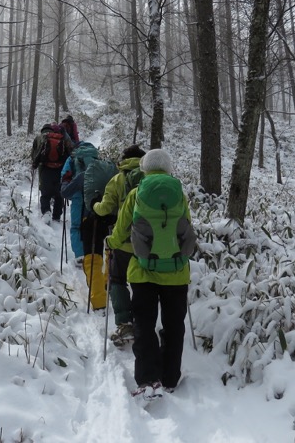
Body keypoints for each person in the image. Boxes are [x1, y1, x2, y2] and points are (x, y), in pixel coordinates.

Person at [105, 148, 196, 400]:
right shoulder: (179, 194)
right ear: (168, 168)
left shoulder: (136, 193)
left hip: (143, 271)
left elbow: (122, 230)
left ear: (144, 168)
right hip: (177, 272)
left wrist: (111, 242)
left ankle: (147, 378)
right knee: (174, 325)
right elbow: (186, 228)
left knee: (144, 324)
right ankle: (170, 379)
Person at [92, 144, 146, 346]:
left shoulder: (117, 180)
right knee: (143, 283)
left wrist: (94, 204)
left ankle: (125, 322)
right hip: (150, 245)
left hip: (124, 242)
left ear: (123, 160)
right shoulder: (152, 180)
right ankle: (143, 321)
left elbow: (104, 209)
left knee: (117, 280)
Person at [60, 142, 108, 310]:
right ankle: (104, 276)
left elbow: (64, 189)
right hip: (100, 205)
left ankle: (80, 256)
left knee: (76, 227)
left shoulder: (73, 161)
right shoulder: (99, 162)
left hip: (79, 201)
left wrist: (66, 187)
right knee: (98, 237)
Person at [31, 123, 72, 222]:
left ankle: (46, 212)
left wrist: (35, 164)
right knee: (59, 194)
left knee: (45, 193)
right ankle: (57, 216)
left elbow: (33, 154)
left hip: (45, 168)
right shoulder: (60, 138)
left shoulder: (39, 138)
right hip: (60, 169)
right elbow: (69, 153)